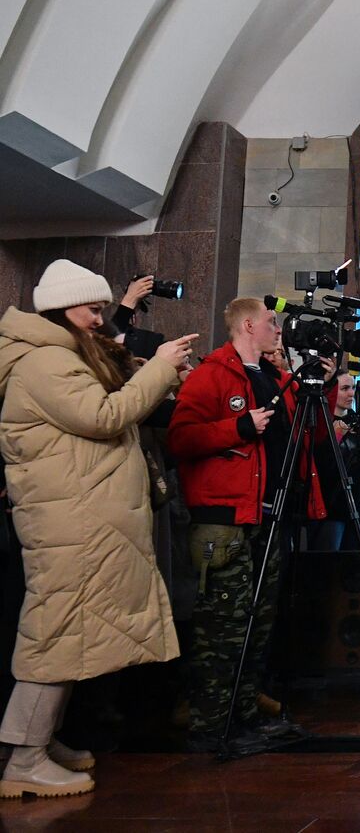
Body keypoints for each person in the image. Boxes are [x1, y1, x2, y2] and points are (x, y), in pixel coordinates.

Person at [0, 260, 194, 797]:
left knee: (69, 635)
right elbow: (104, 417)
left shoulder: (59, 356)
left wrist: (156, 373)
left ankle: (41, 739)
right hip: (72, 523)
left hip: (81, 520)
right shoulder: (44, 365)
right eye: (92, 309)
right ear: (63, 310)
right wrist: (157, 367)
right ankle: (24, 758)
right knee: (56, 635)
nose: (99, 319)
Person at [167, 298, 334, 752]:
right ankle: (211, 727)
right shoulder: (212, 374)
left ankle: (243, 720)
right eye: (271, 322)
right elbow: (180, 437)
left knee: (257, 625)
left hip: (268, 517)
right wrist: (237, 428)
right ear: (247, 324)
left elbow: (314, 435)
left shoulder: (278, 378)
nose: (279, 330)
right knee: (223, 628)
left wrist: (326, 383)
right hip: (226, 521)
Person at [311, 370, 360, 552]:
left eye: (353, 388)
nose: (351, 393)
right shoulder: (320, 423)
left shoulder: (358, 422)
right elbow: (319, 467)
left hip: (359, 508)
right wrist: (335, 437)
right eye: (344, 388)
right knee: (330, 566)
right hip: (331, 509)